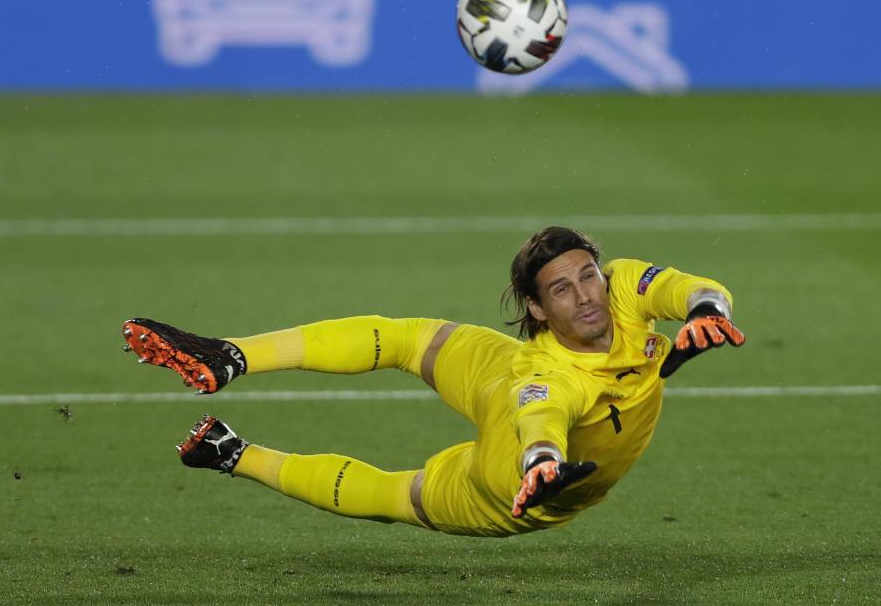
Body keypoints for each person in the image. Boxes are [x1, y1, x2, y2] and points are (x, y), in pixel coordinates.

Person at [122, 226, 744, 537]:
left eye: (588, 275)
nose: (587, 296)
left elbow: (691, 286)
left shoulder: (623, 290)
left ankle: (233, 427)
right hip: (515, 478)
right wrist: (543, 463)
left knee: (411, 342)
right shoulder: (544, 375)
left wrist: (707, 312)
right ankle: (231, 382)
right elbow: (542, 415)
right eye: (562, 288)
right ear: (535, 309)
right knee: (401, 495)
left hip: (511, 414)